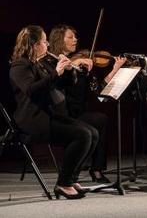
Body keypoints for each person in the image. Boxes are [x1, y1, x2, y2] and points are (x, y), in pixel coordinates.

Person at [9, 25, 99, 199]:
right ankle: (63, 183)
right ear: (34, 45)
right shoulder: (19, 65)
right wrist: (56, 72)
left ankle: (71, 178)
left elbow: (61, 83)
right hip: (33, 121)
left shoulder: (40, 63)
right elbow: (32, 90)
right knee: (82, 135)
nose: (48, 45)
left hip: (49, 116)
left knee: (93, 133)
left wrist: (68, 70)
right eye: (44, 41)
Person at [47, 24, 127, 183]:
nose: (75, 40)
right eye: (70, 37)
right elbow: (54, 84)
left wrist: (115, 68)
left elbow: (98, 89)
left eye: (75, 37)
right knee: (93, 124)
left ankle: (96, 169)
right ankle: (73, 172)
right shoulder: (53, 62)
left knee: (101, 119)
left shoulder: (81, 65)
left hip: (79, 112)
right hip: (63, 113)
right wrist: (71, 65)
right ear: (58, 39)